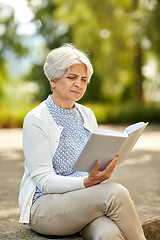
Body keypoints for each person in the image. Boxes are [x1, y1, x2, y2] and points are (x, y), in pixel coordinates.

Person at [18, 43, 146, 240]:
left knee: (108, 234)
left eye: (83, 79)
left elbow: (91, 163)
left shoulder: (87, 114)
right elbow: (44, 182)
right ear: (53, 80)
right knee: (115, 193)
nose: (79, 84)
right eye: (71, 77)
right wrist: (86, 182)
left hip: (82, 202)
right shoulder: (37, 119)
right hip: (45, 206)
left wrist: (102, 169)